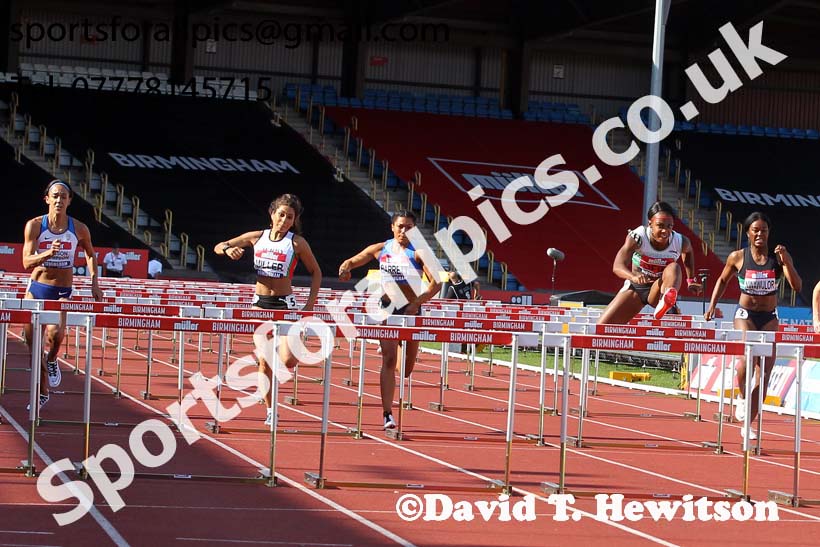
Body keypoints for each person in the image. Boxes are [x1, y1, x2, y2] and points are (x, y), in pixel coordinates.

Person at [214, 194, 321, 425]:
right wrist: (227, 249)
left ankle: (285, 353)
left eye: (289, 217)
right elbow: (219, 246)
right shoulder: (256, 237)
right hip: (260, 305)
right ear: (272, 214)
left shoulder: (297, 243)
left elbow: (316, 272)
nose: (284, 220)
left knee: (289, 361)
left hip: (285, 306)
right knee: (265, 361)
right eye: (281, 214)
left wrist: (309, 305)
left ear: (294, 220)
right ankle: (271, 410)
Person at [338, 211, 441, 429]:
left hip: (411, 311)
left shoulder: (419, 252)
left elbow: (437, 283)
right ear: (392, 227)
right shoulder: (381, 248)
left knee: (406, 370)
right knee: (389, 360)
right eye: (401, 226)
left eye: (409, 227)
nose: (404, 231)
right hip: (388, 310)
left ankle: (398, 347)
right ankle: (387, 414)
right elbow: (359, 258)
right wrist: (346, 265)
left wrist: (416, 304)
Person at [704, 212, 802, 440]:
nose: (760, 234)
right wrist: (712, 306)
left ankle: (748, 423)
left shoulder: (777, 258)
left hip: (768, 317)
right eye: (755, 230)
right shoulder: (738, 257)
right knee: (746, 359)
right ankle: (741, 396)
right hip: (745, 315)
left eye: (764, 230)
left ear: (769, 233)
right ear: (747, 232)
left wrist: (786, 260)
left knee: (764, 373)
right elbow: (722, 280)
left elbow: (797, 286)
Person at [22, 179, 103, 410]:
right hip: (36, 289)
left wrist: (94, 282)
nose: (59, 200)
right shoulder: (35, 226)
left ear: (69, 201)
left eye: (63, 196)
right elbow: (26, 261)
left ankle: (53, 358)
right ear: (47, 199)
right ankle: (42, 393)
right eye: (55, 195)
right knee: (32, 347)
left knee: (55, 337)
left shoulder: (79, 228)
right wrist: (47, 253)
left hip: (62, 291)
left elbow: (90, 254)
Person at [597, 201, 703, 325]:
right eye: (660, 226)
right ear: (650, 224)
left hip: (659, 288)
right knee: (602, 327)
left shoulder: (680, 241)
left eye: (669, 226)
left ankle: (666, 303)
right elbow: (617, 266)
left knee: (674, 268)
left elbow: (689, 252)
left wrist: (690, 280)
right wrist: (633, 277)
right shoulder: (638, 237)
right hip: (637, 287)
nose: (665, 231)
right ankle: (667, 305)